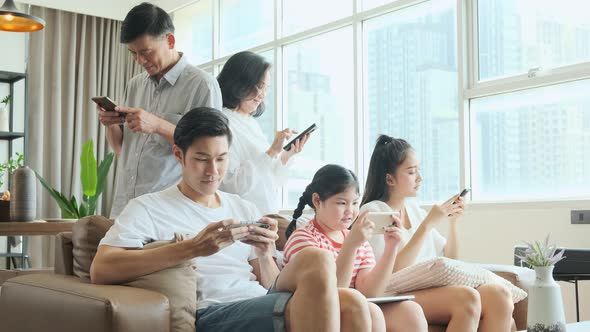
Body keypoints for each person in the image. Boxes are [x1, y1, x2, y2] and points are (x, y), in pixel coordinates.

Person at [90, 107, 379, 332]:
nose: (213, 170)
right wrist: (193, 248)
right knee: (341, 298)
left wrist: (266, 254)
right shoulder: (149, 207)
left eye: (222, 158)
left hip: (260, 299)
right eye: (201, 159)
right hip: (214, 312)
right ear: (179, 155)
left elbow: (269, 284)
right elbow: (101, 269)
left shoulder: (242, 207)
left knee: (324, 265)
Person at [360, 134, 515, 332]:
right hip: (397, 295)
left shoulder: (415, 210)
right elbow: (392, 273)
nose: (420, 178)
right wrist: (428, 224)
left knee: (499, 294)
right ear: (390, 179)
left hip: (429, 290)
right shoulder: (374, 211)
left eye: (419, 170)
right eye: (411, 172)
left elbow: (451, 259)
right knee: (467, 298)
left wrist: (453, 223)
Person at [96, 2, 222, 218]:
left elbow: (209, 151)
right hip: (125, 209)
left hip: (169, 213)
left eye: (146, 52)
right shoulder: (135, 85)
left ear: (170, 40)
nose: (140, 61)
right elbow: (121, 151)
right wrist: (112, 124)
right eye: (133, 53)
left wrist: (157, 125)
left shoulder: (202, 85)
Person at [282, 164, 428, 332]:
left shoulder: (357, 239)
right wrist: (351, 246)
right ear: (317, 201)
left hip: (354, 306)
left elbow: (371, 291)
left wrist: (391, 248)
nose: (350, 211)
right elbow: (330, 295)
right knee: (371, 311)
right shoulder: (303, 238)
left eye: (355, 203)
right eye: (341, 203)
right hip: (317, 312)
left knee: (411, 311)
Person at [217, 51, 310, 215]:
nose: (262, 95)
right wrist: (271, 151)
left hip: (266, 217)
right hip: (243, 220)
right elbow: (232, 184)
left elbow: (271, 180)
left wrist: (286, 155)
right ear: (239, 82)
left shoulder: (250, 122)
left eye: (265, 88)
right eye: (259, 86)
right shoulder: (222, 122)